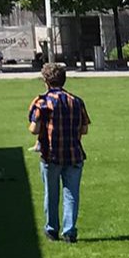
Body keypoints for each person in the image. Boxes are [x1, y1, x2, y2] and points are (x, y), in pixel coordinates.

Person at [27, 63, 90, 243]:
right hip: (74, 153)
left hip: (51, 154)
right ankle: (69, 231)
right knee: (71, 194)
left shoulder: (42, 102)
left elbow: (34, 128)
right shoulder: (76, 101)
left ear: (46, 81)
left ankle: (52, 229)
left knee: (51, 193)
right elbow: (84, 129)